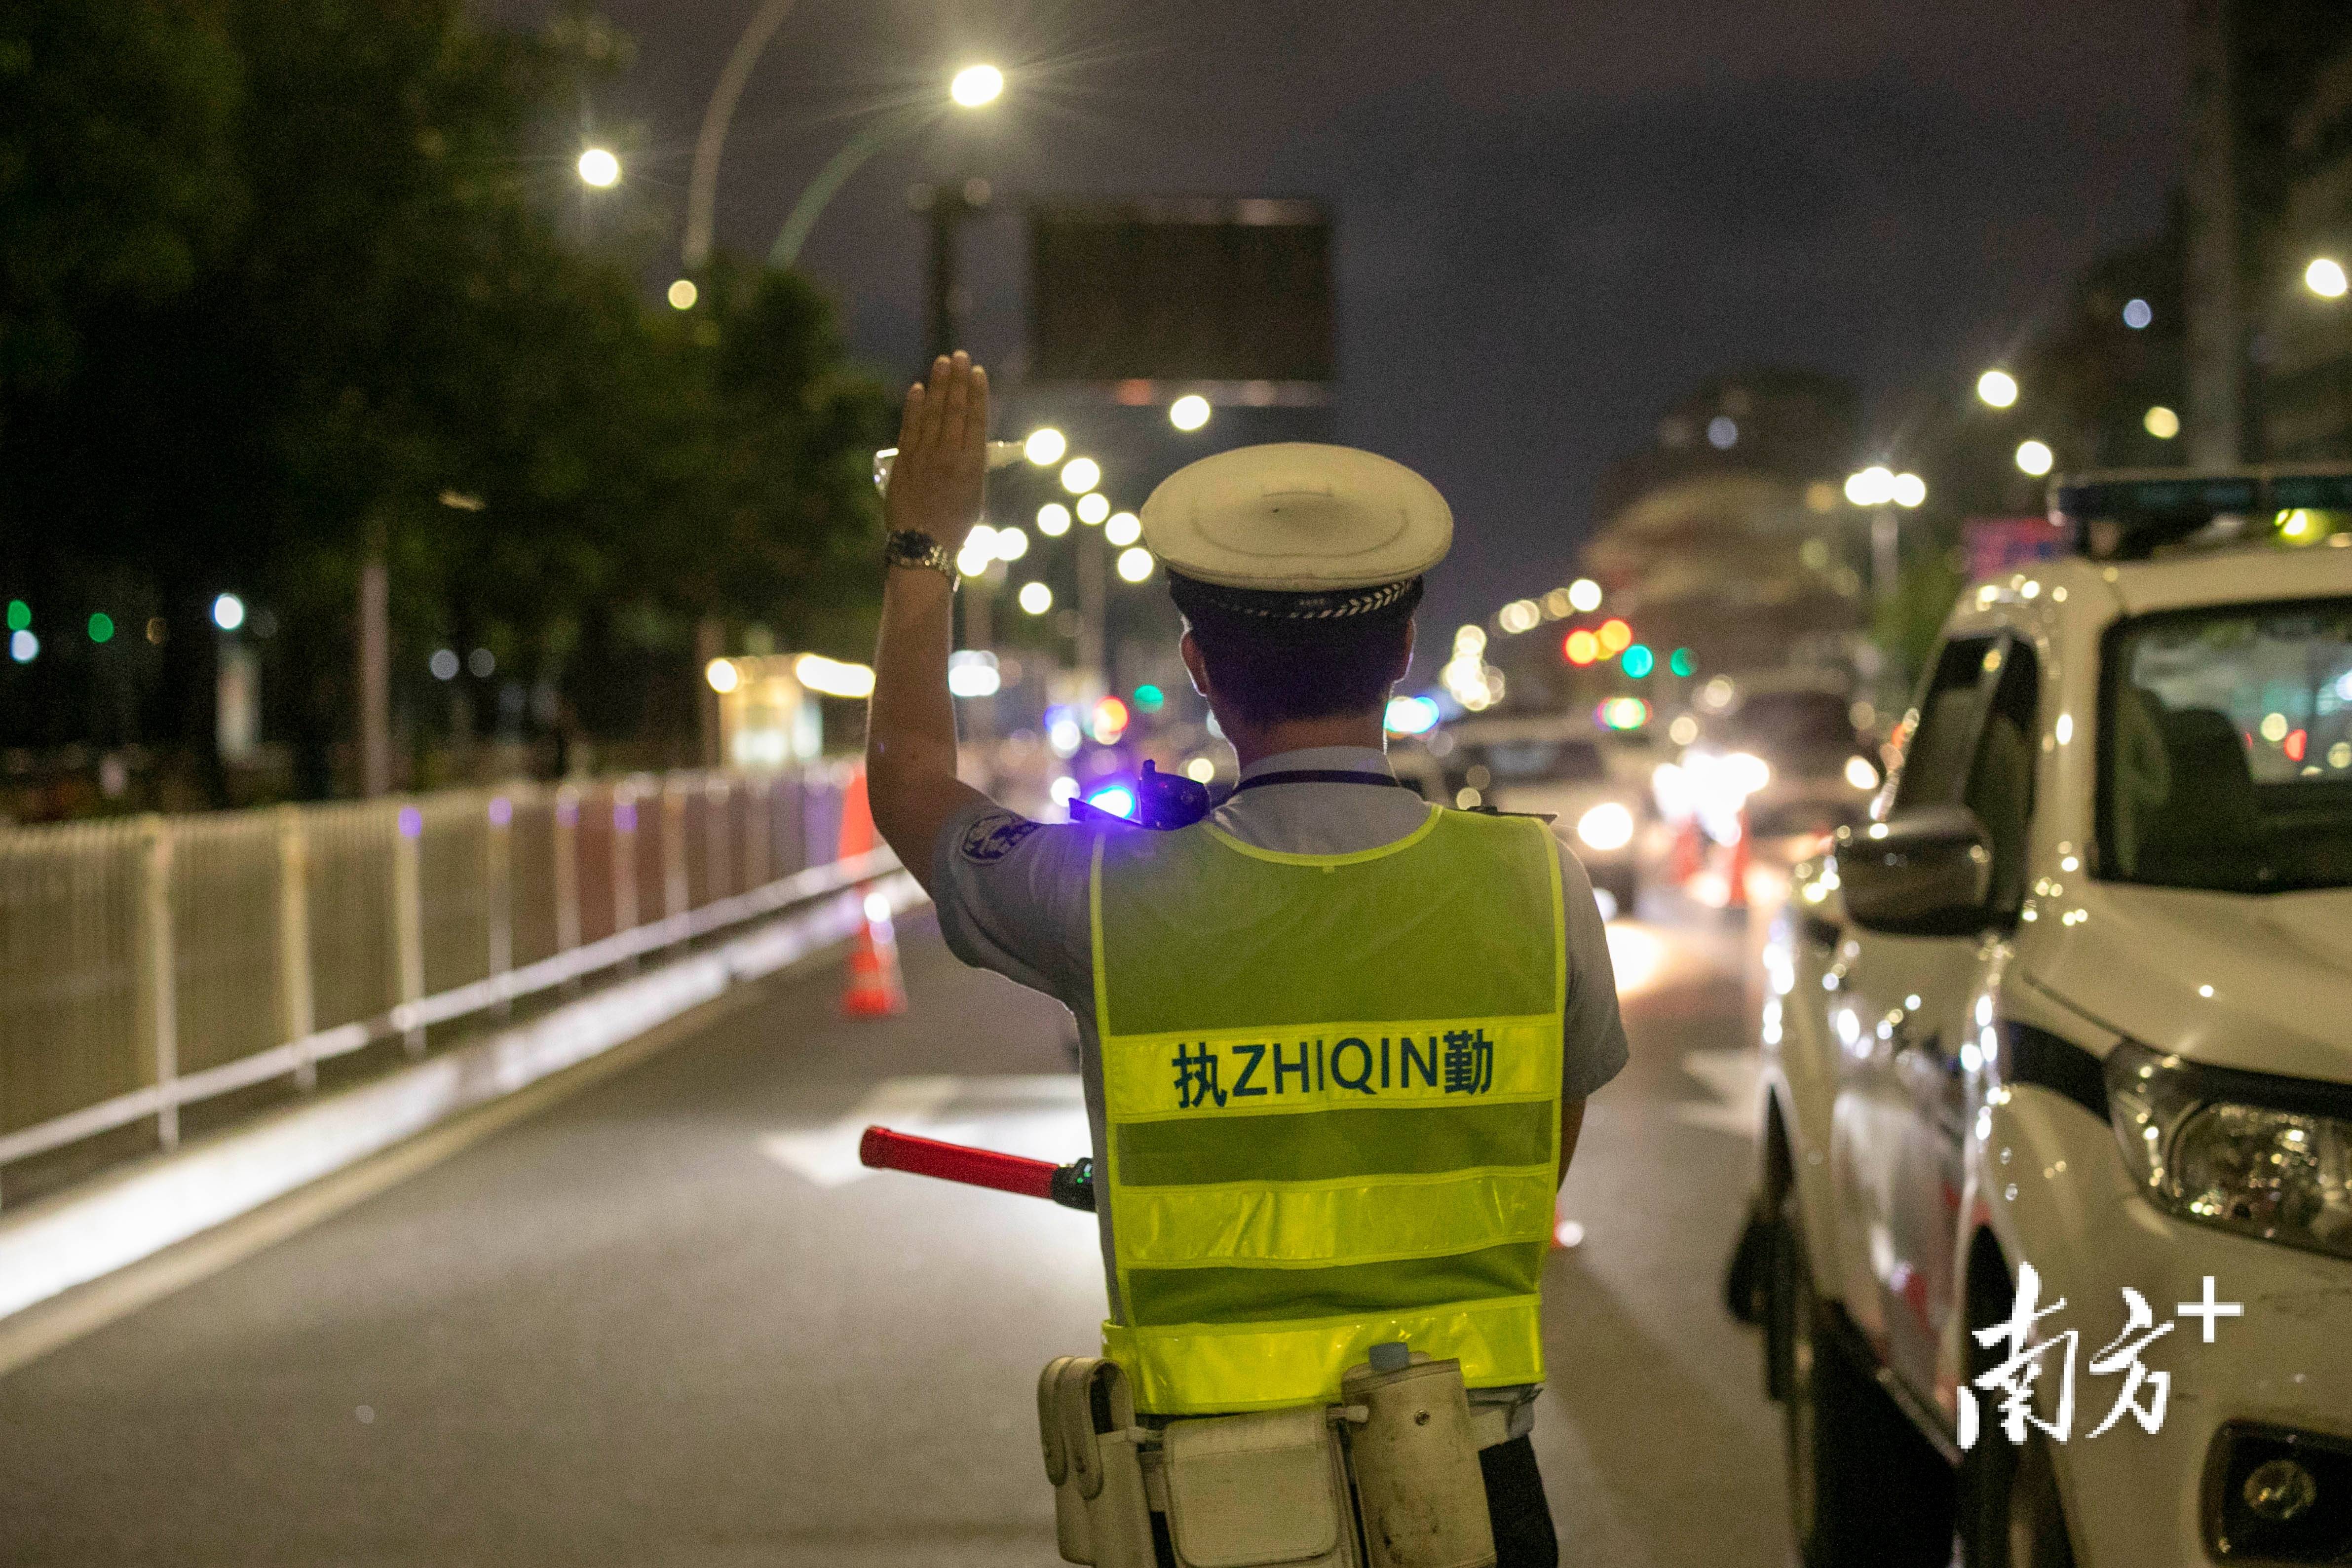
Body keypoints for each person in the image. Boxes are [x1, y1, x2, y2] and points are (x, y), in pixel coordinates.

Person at [866, 351, 1628, 1567]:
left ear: (1201, 666)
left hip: (1220, 1509)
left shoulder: (1107, 896)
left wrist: (923, 546)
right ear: (1404, 653)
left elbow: (910, 785)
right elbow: (1541, 1152)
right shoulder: (1538, 884)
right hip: (1474, 1492)